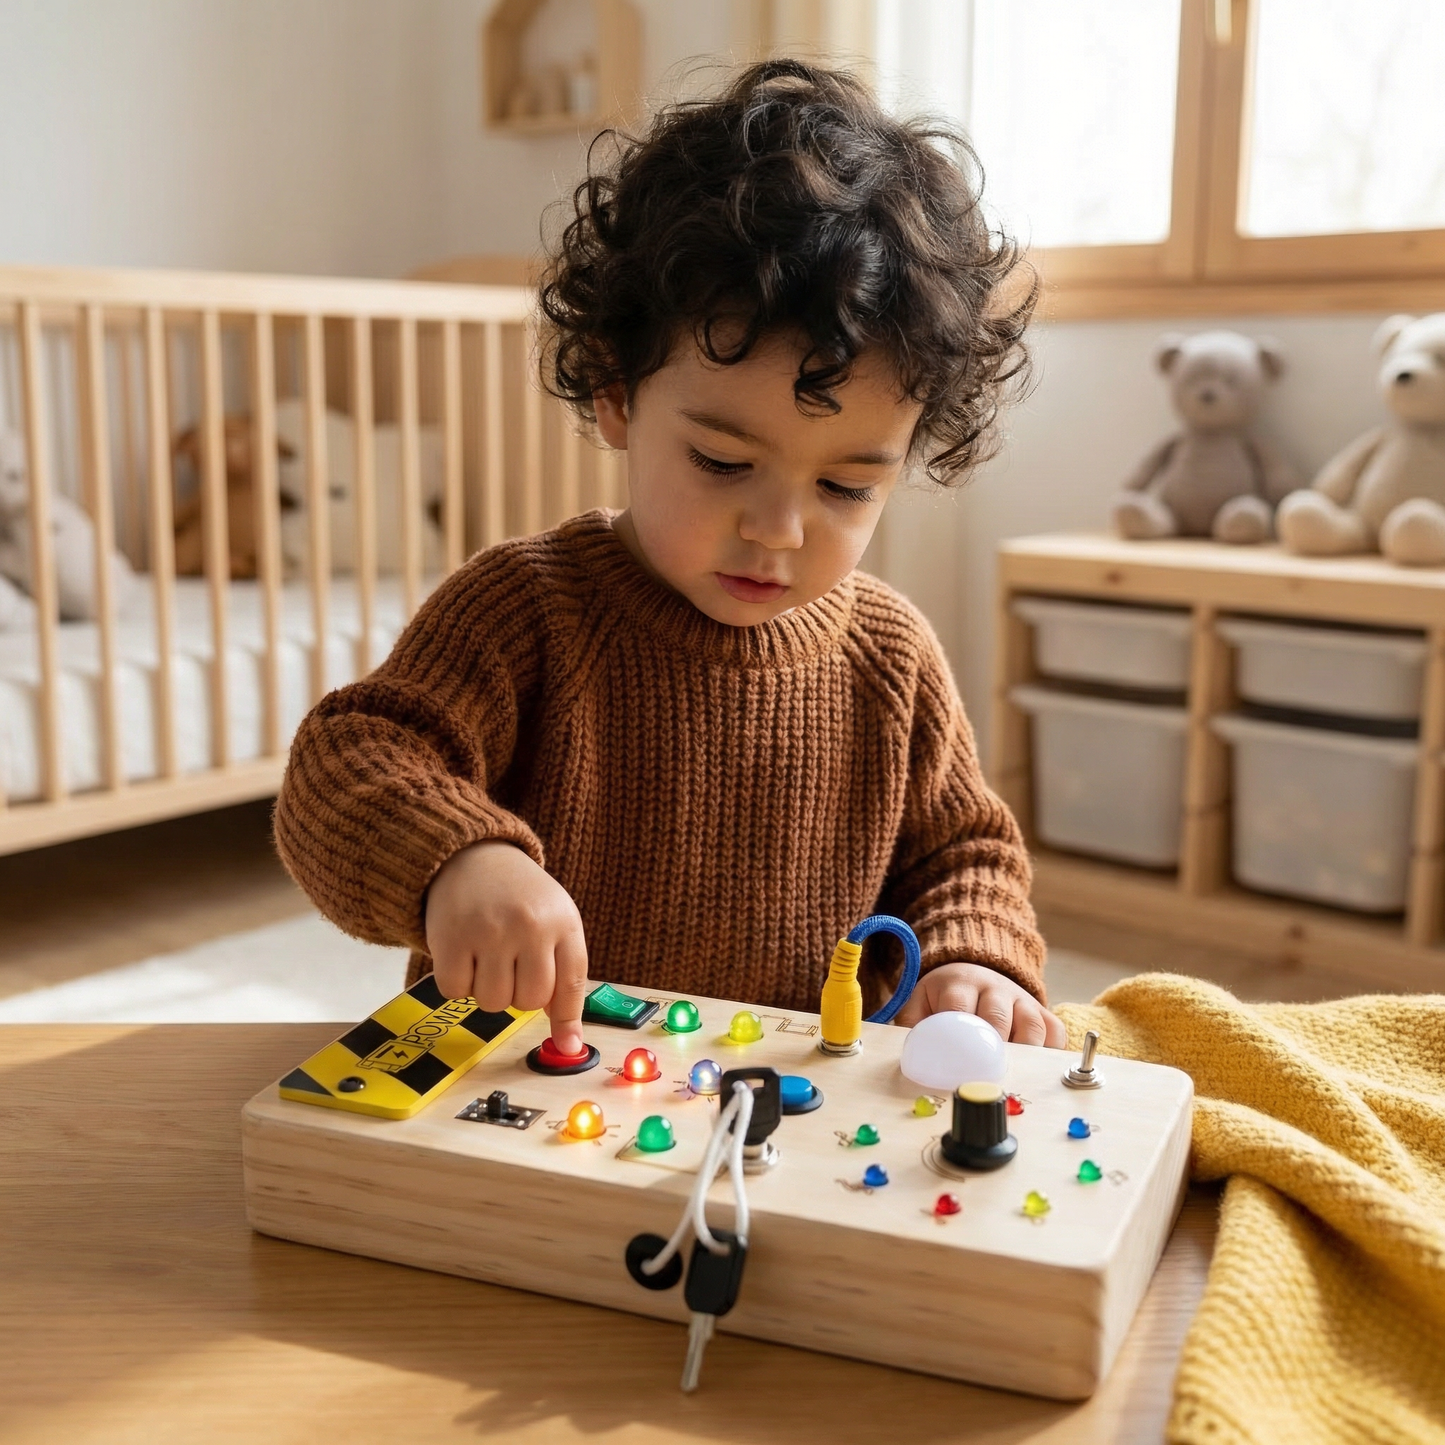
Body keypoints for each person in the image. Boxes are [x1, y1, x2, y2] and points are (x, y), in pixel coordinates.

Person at [274, 59, 1065, 1057]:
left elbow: (963, 852)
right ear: (614, 391)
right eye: (722, 460)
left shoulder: (889, 655)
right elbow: (345, 765)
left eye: (845, 485)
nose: (777, 528)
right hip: (529, 1101)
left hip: (780, 1124)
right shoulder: (525, 607)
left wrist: (974, 960)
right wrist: (457, 860)